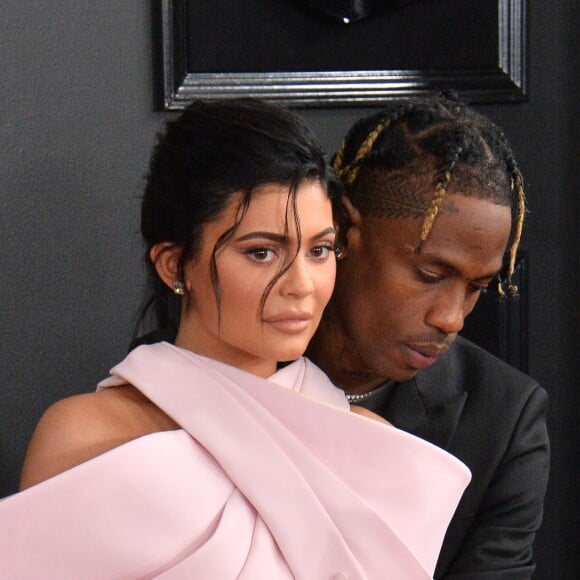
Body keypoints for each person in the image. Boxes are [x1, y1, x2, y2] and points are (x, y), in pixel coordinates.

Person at [0, 98, 471, 579]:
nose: (301, 284)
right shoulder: (84, 435)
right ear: (173, 264)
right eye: (262, 252)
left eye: (320, 249)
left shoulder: (372, 448)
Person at [306, 93, 550, 579]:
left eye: (477, 287)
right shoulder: (216, 366)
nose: (453, 319)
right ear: (342, 234)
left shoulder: (503, 422)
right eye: (430, 274)